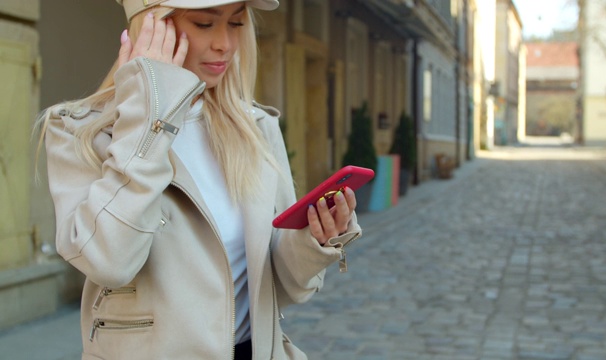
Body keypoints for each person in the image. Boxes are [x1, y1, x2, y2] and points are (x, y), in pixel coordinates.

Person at [37, 0, 363, 359]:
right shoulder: (78, 132)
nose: (225, 43)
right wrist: (150, 115)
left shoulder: (255, 128)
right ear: (151, 28)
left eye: (236, 24)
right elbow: (109, 262)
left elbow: (282, 289)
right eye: (205, 24)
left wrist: (314, 240)